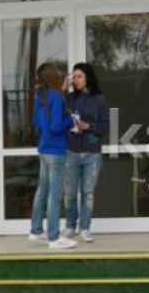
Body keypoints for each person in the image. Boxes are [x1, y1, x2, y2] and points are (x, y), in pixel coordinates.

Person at [29, 63, 77, 250]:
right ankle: (54, 238)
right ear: (53, 76)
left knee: (42, 190)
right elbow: (57, 126)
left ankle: (35, 231)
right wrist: (71, 120)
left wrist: (62, 91)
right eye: (58, 73)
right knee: (54, 195)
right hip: (56, 151)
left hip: (44, 149)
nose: (61, 75)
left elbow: (37, 123)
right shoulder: (55, 96)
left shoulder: (41, 95)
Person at [63, 62, 109, 243]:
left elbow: (105, 126)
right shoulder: (69, 98)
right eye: (74, 76)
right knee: (70, 193)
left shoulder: (99, 99)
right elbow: (57, 112)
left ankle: (84, 229)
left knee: (87, 193)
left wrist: (88, 126)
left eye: (79, 76)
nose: (76, 80)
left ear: (88, 77)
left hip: (92, 153)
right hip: (71, 151)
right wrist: (63, 90)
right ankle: (70, 226)